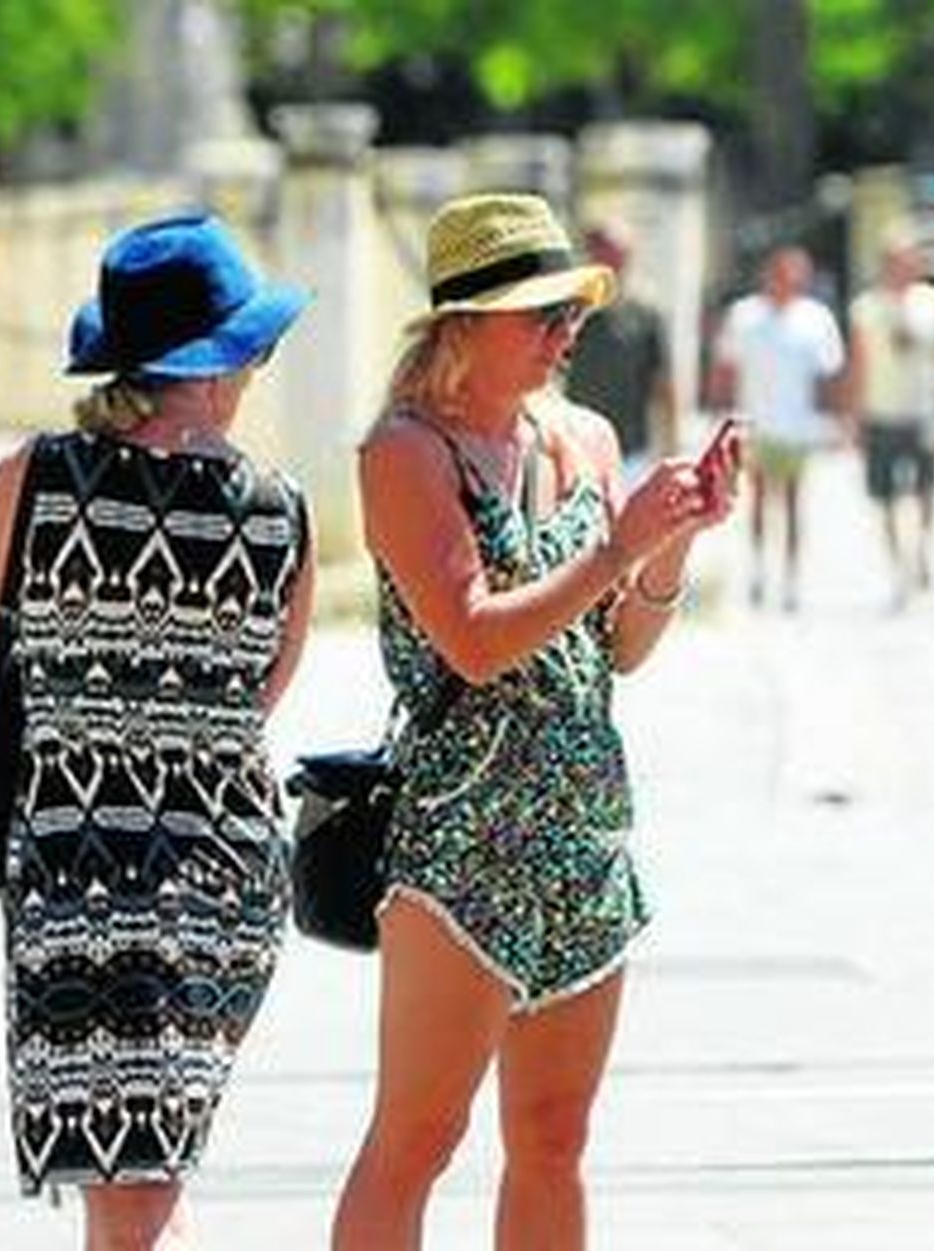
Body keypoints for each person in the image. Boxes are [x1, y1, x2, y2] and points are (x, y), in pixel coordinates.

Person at [333, 193, 739, 1250]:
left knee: (554, 1137)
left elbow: (620, 652)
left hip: (584, 829)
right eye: (541, 314)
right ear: (460, 323)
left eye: (571, 312)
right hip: (462, 841)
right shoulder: (406, 452)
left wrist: (673, 541)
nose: (567, 334)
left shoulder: (587, 439)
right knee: (417, 1137)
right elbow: (471, 639)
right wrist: (614, 549)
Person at [0, 213, 314, 1247]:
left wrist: (83, 762)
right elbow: (259, 697)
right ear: (224, 360)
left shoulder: (31, 481)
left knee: (132, 1193)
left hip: (78, 873)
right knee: (145, 1178)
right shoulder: (281, 511)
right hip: (225, 878)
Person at [709, 245, 844, 612]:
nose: (788, 280)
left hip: (797, 427)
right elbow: (725, 369)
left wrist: (836, 422)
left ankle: (790, 579)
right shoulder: (744, 315)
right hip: (755, 425)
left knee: (794, 504)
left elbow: (828, 377)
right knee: (755, 504)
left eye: (796, 274)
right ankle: (757, 572)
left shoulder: (816, 319)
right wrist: (718, 416)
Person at [846, 228, 934, 609]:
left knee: (927, 491)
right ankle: (900, 566)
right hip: (882, 412)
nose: (901, 267)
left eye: (908, 260)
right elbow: (858, 365)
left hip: (927, 412)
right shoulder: (865, 307)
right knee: (886, 498)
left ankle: (922, 549)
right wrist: (854, 417)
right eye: (894, 261)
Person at [563, 219, 679, 477]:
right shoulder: (570, 310)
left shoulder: (647, 314)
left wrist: (670, 447)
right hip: (575, 446)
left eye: (620, 253)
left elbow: (663, 384)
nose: (614, 260)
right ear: (590, 253)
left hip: (631, 450)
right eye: (605, 251)